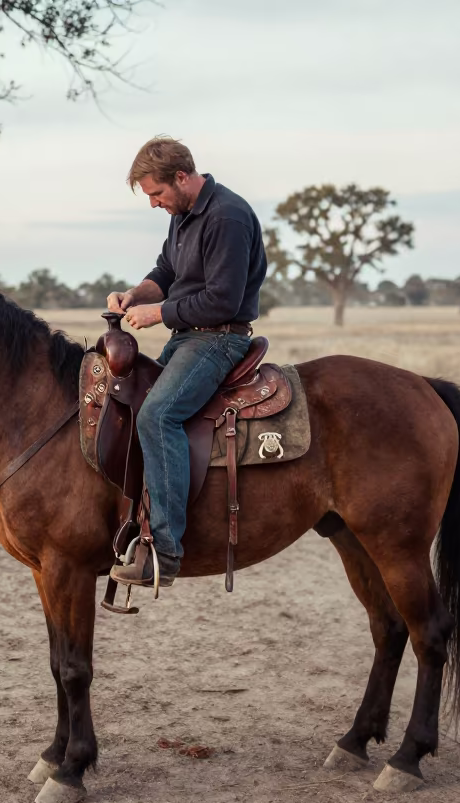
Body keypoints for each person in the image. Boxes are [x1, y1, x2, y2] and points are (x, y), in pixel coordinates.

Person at [107, 137, 267, 589]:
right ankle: (130, 522)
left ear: (182, 177)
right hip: (188, 337)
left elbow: (222, 299)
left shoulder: (227, 217)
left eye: (156, 194)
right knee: (132, 402)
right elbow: (165, 273)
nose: (154, 204)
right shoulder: (182, 217)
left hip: (218, 340)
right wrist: (136, 295)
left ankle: (165, 551)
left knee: (159, 415)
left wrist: (157, 314)